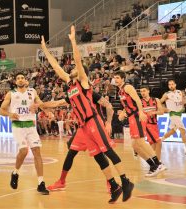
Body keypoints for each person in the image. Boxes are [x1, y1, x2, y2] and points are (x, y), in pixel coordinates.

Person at [40, 26, 134, 203]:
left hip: (93, 121)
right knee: (98, 156)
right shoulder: (69, 85)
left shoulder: (84, 82)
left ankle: (126, 181)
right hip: (84, 126)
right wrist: (44, 49)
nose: (72, 70)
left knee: (109, 151)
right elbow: (55, 65)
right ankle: (114, 186)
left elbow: (77, 60)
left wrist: (74, 41)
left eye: (76, 69)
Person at [35, 91, 114, 192]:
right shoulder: (73, 95)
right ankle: (61, 181)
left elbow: (109, 106)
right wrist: (40, 104)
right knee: (71, 153)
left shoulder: (90, 93)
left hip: (95, 127)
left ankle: (110, 182)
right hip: (83, 128)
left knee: (99, 156)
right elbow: (57, 103)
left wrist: (109, 123)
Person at [0, 73, 49, 195]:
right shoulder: (11, 94)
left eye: (22, 78)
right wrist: (10, 114)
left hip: (30, 126)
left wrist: (47, 111)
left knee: (37, 152)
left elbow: (41, 103)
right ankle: (15, 172)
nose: (20, 80)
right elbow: (1, 110)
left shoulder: (32, 92)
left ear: (25, 80)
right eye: (18, 78)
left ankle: (41, 183)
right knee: (24, 151)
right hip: (18, 126)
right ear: (15, 82)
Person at [114, 71, 164, 177]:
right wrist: (123, 113)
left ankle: (158, 164)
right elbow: (127, 105)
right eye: (115, 78)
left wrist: (141, 112)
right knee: (135, 146)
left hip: (137, 116)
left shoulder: (128, 87)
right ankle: (152, 165)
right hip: (131, 117)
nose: (116, 80)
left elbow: (137, 99)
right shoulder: (120, 91)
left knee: (140, 142)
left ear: (123, 79)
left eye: (118, 77)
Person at [160, 80, 186, 157]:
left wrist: (183, 97)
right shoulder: (167, 94)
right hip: (173, 114)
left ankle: (160, 141)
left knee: (173, 130)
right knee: (183, 131)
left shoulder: (179, 92)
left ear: (175, 85)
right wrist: (164, 109)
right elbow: (159, 102)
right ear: (168, 86)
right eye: (169, 85)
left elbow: (184, 103)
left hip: (179, 114)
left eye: (172, 84)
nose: (171, 86)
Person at [140, 86, 166, 168]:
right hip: (146, 125)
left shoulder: (156, 100)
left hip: (155, 124)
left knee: (153, 144)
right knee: (158, 142)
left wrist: (153, 112)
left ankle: (153, 162)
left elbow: (161, 112)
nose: (142, 93)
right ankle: (158, 163)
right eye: (141, 92)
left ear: (148, 91)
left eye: (144, 91)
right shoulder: (139, 102)